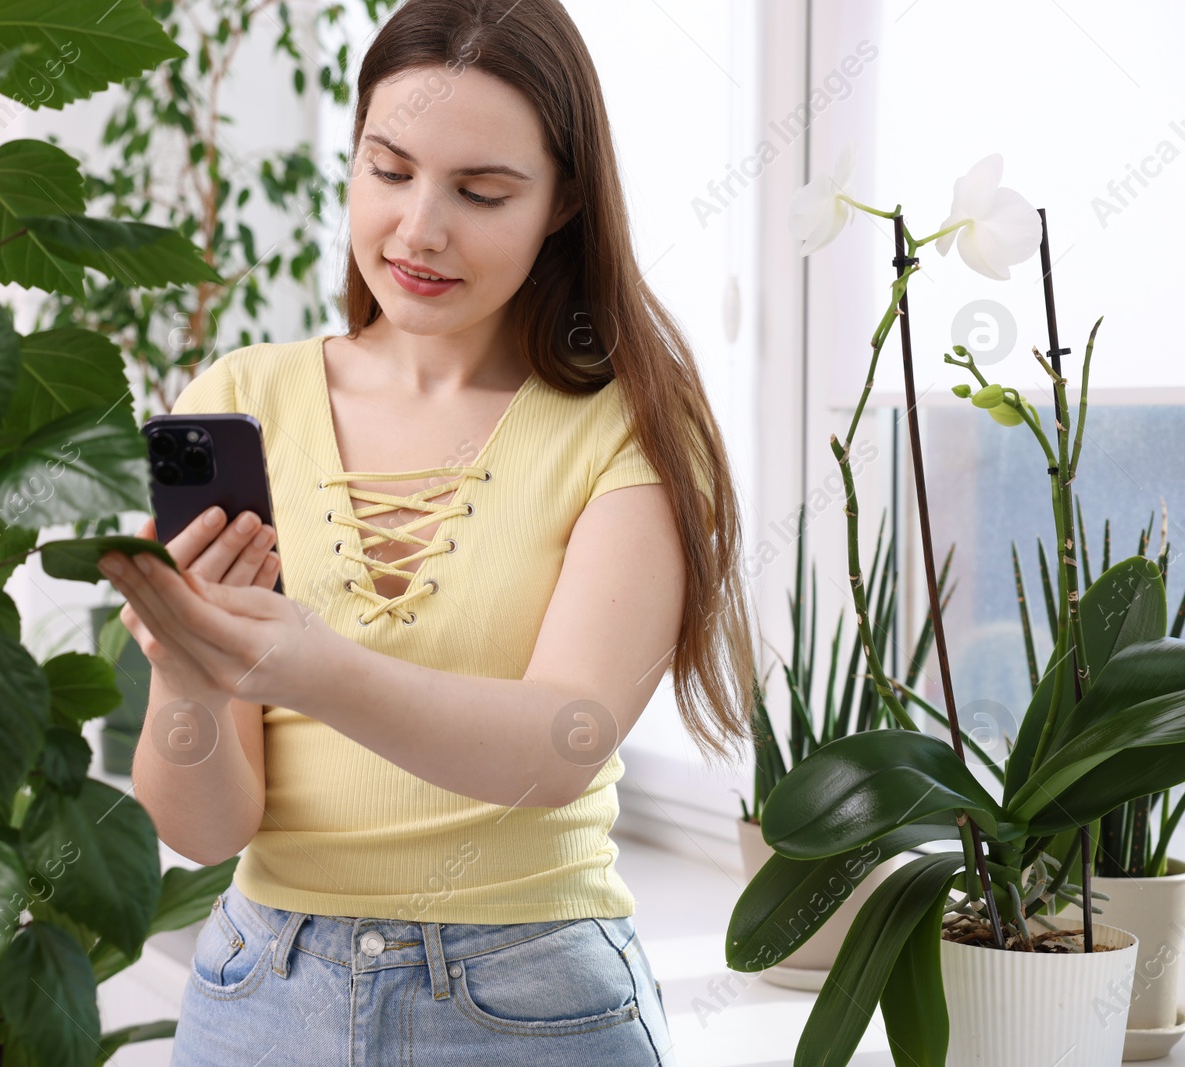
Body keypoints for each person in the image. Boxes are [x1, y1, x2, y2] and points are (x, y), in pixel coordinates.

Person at [99, 0, 757, 1062]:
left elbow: (562, 743)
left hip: (532, 997)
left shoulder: (627, 423)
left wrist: (311, 666)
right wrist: (190, 672)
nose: (417, 230)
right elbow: (205, 830)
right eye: (388, 170)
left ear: (564, 201)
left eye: (480, 191)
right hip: (261, 989)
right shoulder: (237, 396)